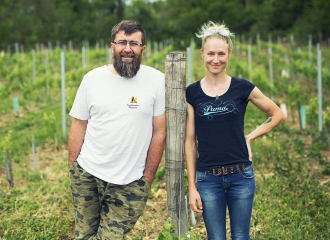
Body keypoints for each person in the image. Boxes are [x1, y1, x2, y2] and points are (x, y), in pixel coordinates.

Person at [185, 21, 286, 240]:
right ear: (202, 54)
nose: (215, 59)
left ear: (229, 54)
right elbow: (190, 142)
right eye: (210, 53)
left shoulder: (242, 87)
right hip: (208, 179)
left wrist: (251, 136)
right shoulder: (192, 93)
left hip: (241, 176)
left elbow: (278, 114)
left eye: (221, 54)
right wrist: (192, 187)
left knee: (241, 237)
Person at [68, 20, 166, 239]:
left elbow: (160, 131)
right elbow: (79, 123)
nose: (128, 48)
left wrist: (147, 179)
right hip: (88, 176)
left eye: (134, 43)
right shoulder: (92, 79)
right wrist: (74, 168)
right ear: (112, 46)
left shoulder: (157, 80)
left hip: (130, 183)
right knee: (83, 235)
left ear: (143, 48)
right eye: (122, 42)